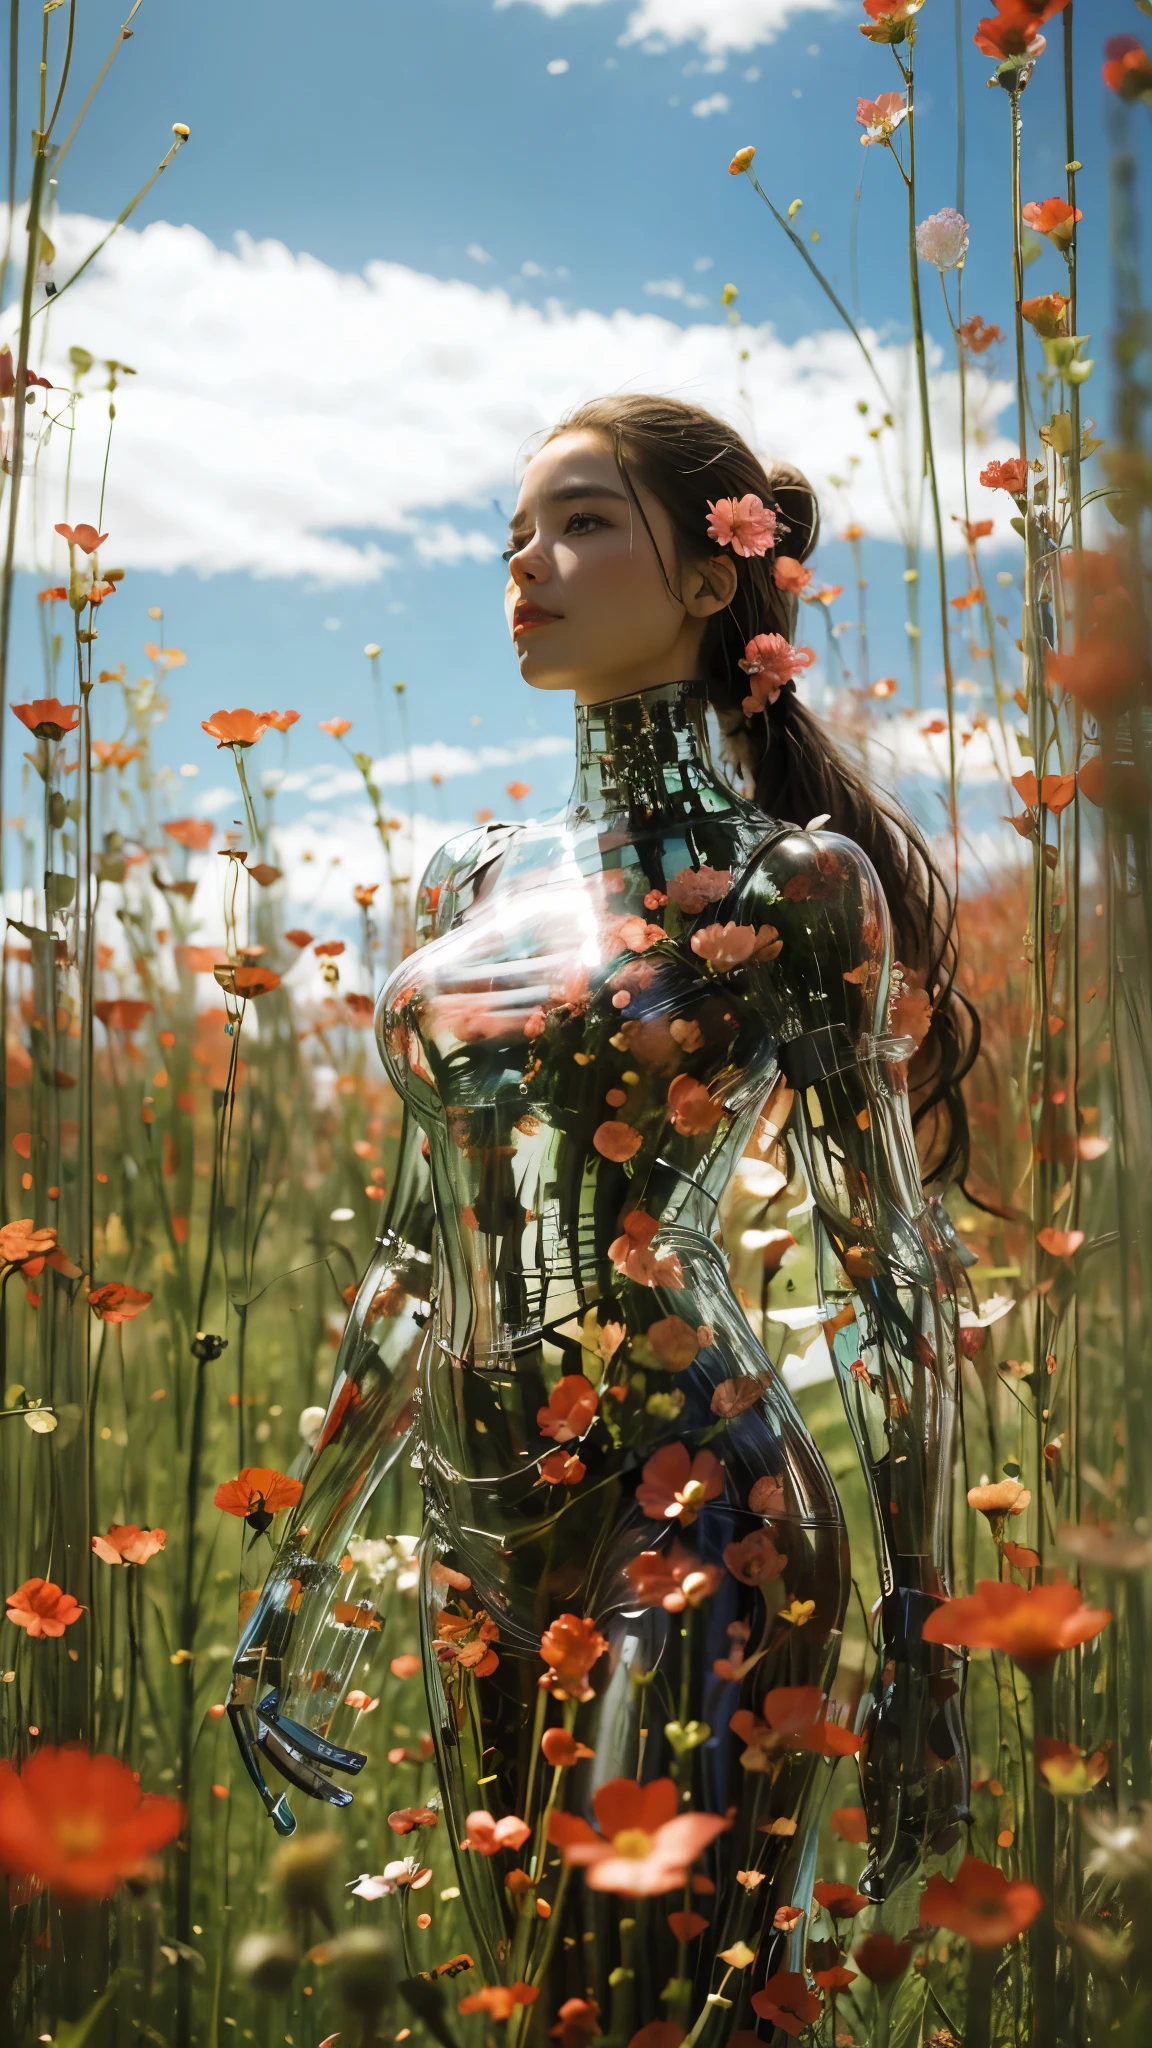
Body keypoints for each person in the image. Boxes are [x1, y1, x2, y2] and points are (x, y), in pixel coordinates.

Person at [228, 394, 976, 2042]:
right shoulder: (470, 880)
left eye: (581, 524)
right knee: (543, 2005)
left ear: (717, 580)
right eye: (514, 536)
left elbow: (892, 1266)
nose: (528, 566)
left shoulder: (797, 884)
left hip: (701, 1495)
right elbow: (419, 1254)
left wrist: (928, 1629)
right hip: (473, 1507)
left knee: (657, 1998)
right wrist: (294, 1565)